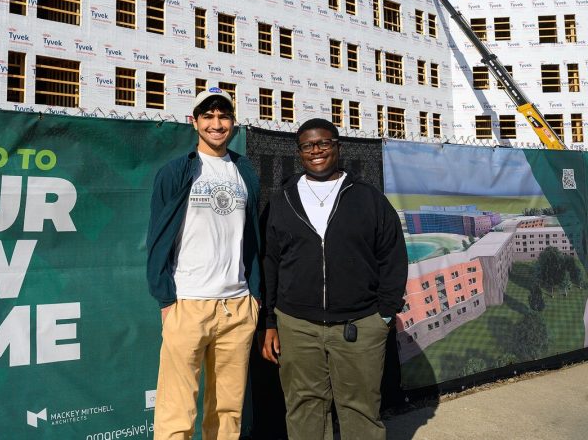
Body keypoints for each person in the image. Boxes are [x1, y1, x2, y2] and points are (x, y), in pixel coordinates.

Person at [261, 118, 407, 440]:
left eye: (324, 143)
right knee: (303, 408)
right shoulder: (282, 199)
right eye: (308, 145)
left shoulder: (368, 198)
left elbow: (392, 255)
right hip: (296, 325)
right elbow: (270, 262)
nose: (316, 151)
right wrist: (271, 320)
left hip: (359, 323)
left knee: (360, 410)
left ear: (337, 146)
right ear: (299, 151)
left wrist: (384, 313)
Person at [146, 87, 261, 440]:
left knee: (227, 410)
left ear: (233, 122)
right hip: (188, 303)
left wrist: (254, 296)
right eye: (208, 116)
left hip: (237, 306)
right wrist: (166, 298)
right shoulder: (176, 172)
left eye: (223, 116)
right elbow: (157, 239)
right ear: (194, 122)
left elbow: (253, 238)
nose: (216, 123)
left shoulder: (245, 171)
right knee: (176, 410)